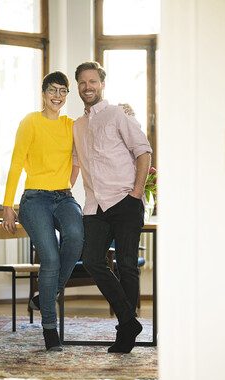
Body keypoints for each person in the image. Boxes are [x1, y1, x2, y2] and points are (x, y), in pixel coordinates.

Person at [71, 61, 152, 354]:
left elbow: (143, 151)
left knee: (127, 265)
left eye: (92, 81)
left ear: (102, 85)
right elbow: (75, 164)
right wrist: (66, 190)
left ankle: (125, 333)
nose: (88, 87)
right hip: (95, 205)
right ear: (77, 88)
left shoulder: (118, 113)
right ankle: (130, 321)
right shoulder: (76, 126)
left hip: (125, 200)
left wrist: (136, 193)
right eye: (82, 82)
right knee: (92, 260)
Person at [1, 71, 84, 352]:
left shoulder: (71, 125)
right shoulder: (31, 121)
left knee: (75, 236)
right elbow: (15, 164)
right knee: (49, 256)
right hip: (34, 198)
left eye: (63, 91)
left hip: (63, 197)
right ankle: (50, 329)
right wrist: (7, 206)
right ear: (43, 91)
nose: (58, 96)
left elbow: (84, 152)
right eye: (53, 90)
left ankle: (45, 296)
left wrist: (125, 112)